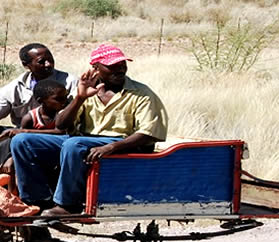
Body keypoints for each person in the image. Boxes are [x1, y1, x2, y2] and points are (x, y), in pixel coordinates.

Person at [9, 44, 168, 216]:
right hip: (85, 139)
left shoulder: (141, 93)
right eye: (112, 66)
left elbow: (148, 133)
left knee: (74, 144)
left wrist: (111, 147)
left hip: (121, 142)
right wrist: (79, 98)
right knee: (22, 141)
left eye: (122, 64)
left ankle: (68, 205)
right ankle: (36, 200)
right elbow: (61, 125)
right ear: (96, 68)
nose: (120, 69)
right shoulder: (88, 90)